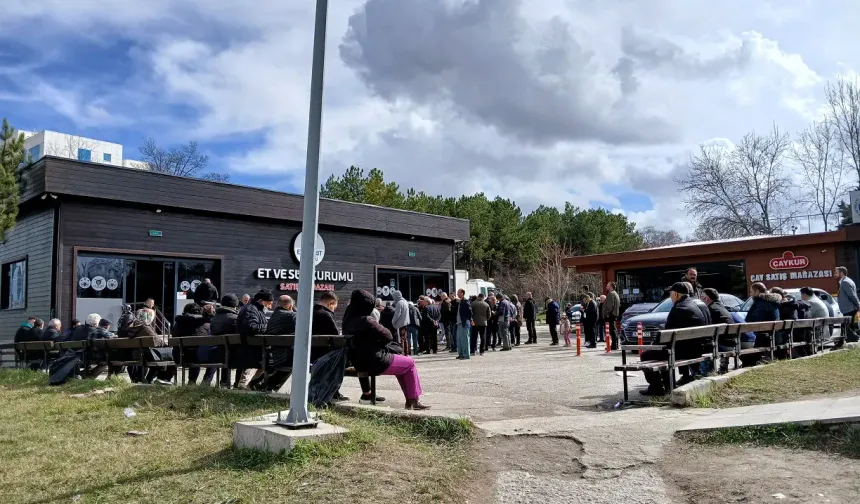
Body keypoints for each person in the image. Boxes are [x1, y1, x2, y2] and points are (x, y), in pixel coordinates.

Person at [342, 289, 429, 410]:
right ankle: (414, 400)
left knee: (403, 364)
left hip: (358, 362)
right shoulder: (366, 320)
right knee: (410, 364)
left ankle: (410, 400)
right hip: (375, 361)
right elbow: (388, 335)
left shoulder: (347, 320)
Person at [639, 283, 709, 395]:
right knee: (664, 353)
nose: (670, 297)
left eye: (671, 294)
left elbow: (665, 336)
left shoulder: (678, 308)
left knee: (646, 355)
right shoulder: (694, 305)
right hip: (698, 349)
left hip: (684, 352)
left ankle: (656, 388)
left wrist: (654, 345)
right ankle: (667, 387)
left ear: (676, 294)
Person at [235, 289, 273, 389]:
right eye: (269, 303)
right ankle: (245, 386)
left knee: (269, 361)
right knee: (270, 361)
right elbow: (251, 327)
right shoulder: (251, 309)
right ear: (260, 301)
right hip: (251, 349)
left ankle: (250, 385)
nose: (270, 306)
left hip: (252, 348)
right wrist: (269, 327)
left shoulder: (255, 309)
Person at [205, 294, 241, 387]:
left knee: (226, 349)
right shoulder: (235, 318)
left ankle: (224, 382)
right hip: (232, 355)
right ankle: (237, 384)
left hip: (216, 353)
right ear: (235, 305)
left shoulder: (214, 318)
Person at [741, 282, 781, 367]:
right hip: (774, 336)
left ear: (757, 292)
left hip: (763, 338)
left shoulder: (761, 304)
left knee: (742, 351)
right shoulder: (774, 303)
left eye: (751, 291)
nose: (750, 294)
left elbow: (753, 320)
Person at [172, 303, 211, 384]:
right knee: (213, 357)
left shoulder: (178, 323)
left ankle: (191, 382)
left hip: (179, 357)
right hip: (199, 357)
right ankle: (205, 382)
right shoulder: (205, 324)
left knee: (192, 351)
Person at [801, 287, 829, 353]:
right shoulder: (817, 300)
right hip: (823, 328)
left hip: (817, 330)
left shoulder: (811, 302)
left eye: (801, 295)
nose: (801, 297)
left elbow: (807, 316)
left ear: (804, 294)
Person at [836, 266, 860, 343]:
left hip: (849, 309)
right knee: (848, 327)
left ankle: (853, 339)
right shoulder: (845, 281)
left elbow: (851, 295)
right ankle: (846, 341)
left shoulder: (845, 282)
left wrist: (858, 305)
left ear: (841, 273)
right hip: (849, 308)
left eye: (836, 272)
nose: (835, 274)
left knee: (846, 327)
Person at [391, 290, 410, 356]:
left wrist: (393, 322)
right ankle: (406, 353)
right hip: (405, 323)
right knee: (405, 339)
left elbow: (397, 314)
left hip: (400, 324)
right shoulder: (405, 301)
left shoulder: (399, 303)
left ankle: (401, 353)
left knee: (400, 340)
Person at [603, 282, 621, 350]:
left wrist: (606, 313)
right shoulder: (615, 293)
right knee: (614, 330)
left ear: (611, 287)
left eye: (607, 286)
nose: (606, 287)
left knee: (612, 330)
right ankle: (615, 345)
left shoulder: (611, 294)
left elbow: (609, 306)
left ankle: (614, 346)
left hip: (611, 315)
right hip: (614, 314)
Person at [456, 289, 472, 360]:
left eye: (458, 293)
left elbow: (470, 311)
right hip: (459, 323)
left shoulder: (465, 301)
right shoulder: (459, 302)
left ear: (462, 293)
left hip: (464, 323)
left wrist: (469, 319)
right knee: (459, 340)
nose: (457, 294)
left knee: (465, 340)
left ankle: (466, 355)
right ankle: (461, 354)